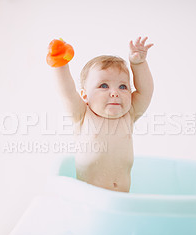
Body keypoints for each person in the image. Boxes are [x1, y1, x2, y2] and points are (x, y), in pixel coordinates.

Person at [48, 36, 154, 192]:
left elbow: (145, 91)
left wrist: (138, 64)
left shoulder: (129, 115)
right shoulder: (82, 116)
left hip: (121, 200)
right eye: (104, 85)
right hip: (90, 201)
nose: (115, 93)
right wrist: (60, 63)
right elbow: (67, 91)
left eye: (123, 86)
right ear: (85, 96)